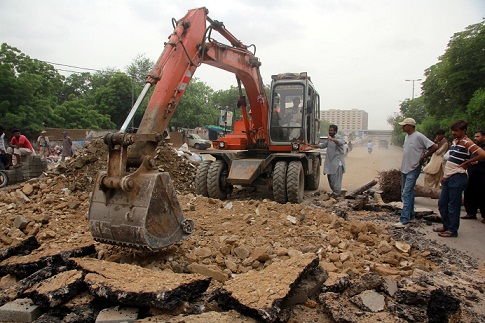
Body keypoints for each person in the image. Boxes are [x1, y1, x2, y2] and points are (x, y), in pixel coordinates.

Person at [434, 121, 485, 237]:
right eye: (453, 130)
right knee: (442, 203)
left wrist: (468, 162)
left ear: (463, 131)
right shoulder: (455, 142)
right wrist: (444, 176)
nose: (454, 133)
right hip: (449, 176)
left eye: (456, 131)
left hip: (457, 177)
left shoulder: (468, 143)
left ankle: (452, 230)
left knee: (453, 205)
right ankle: (446, 226)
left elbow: (482, 154)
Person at [393, 117, 438, 228]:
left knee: (406, 193)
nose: (403, 127)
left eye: (404, 125)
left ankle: (404, 220)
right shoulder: (407, 137)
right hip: (405, 168)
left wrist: (424, 157)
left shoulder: (418, 136)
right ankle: (411, 216)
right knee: (408, 192)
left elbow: (434, 146)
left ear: (410, 126)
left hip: (413, 168)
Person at [314, 124, 346, 198]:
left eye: (331, 130)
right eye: (329, 130)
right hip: (330, 162)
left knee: (337, 179)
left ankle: (336, 193)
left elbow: (340, 142)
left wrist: (332, 139)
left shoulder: (338, 137)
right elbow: (323, 145)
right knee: (330, 177)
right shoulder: (329, 139)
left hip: (338, 163)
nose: (330, 131)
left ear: (335, 131)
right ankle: (335, 192)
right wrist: (313, 145)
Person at [461, 130, 485, 223]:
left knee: (483, 195)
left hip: (482, 174)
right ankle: (471, 213)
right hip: (472, 174)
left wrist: (479, 162)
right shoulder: (475, 147)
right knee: (469, 193)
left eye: (478, 136)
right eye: (475, 137)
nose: (476, 138)